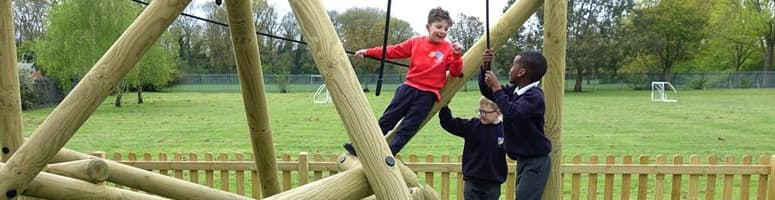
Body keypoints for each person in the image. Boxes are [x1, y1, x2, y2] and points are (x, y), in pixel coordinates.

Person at [343, 7, 464, 156]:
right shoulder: (416, 42)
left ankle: (389, 153)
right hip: (408, 88)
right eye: (438, 27)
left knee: (409, 126)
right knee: (388, 119)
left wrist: (457, 56)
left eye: (446, 29)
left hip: (428, 95)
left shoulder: (448, 48)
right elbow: (393, 51)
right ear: (428, 27)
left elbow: (455, 72)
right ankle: (361, 147)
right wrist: (368, 52)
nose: (442, 31)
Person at [479, 49, 551, 200]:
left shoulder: (534, 96)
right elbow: (488, 91)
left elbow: (512, 112)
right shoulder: (515, 91)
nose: (510, 69)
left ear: (521, 72)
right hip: (524, 159)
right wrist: (485, 67)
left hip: (536, 162)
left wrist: (497, 87)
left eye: (513, 66)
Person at [438, 97, 507, 200]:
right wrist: (444, 107)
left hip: (493, 184)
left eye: (484, 112)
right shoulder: (472, 126)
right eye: (479, 111)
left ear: (497, 112)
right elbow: (448, 123)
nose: (480, 115)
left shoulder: (505, 130)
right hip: (472, 183)